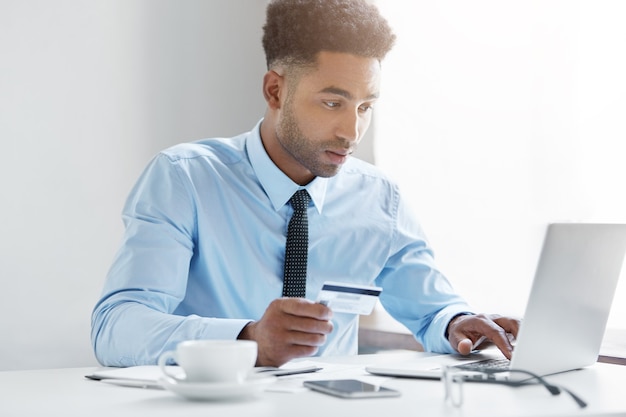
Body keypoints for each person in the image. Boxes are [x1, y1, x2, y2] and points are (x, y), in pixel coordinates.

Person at [91, 0, 520, 368]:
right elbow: (117, 327)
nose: (352, 131)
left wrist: (458, 324)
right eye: (333, 102)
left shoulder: (378, 199)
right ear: (275, 91)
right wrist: (247, 339)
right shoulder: (185, 178)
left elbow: (433, 312)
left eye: (365, 106)